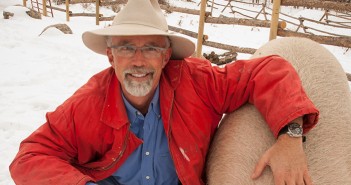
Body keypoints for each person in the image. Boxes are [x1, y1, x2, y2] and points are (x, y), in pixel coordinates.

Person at [9, 0, 319, 184]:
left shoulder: (197, 83)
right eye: (127, 48)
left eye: (151, 48)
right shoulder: (89, 104)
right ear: (111, 57)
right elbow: (29, 156)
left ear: (166, 56)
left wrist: (290, 135)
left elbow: (267, 70)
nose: (139, 61)